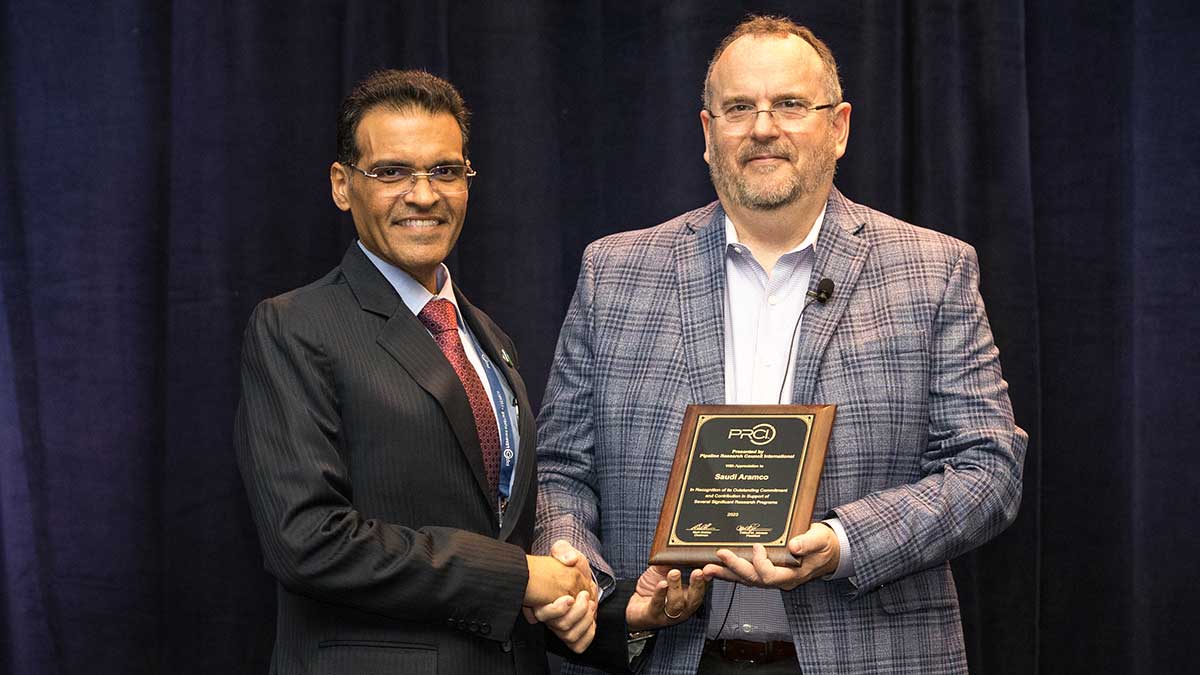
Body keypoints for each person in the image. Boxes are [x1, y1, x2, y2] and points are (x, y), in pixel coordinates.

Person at [534, 15, 1027, 674]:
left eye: (790, 105)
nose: (763, 127)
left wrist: (843, 540)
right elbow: (560, 470)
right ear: (708, 135)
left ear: (839, 126)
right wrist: (588, 582)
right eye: (739, 107)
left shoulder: (933, 268)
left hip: (869, 655)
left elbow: (988, 468)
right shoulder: (616, 271)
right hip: (667, 652)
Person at [234, 69, 598, 675]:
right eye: (392, 172)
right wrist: (517, 578)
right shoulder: (294, 326)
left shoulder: (488, 337)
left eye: (445, 171)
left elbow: (507, 536)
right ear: (342, 185)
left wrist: (615, 612)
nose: (424, 194)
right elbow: (308, 541)